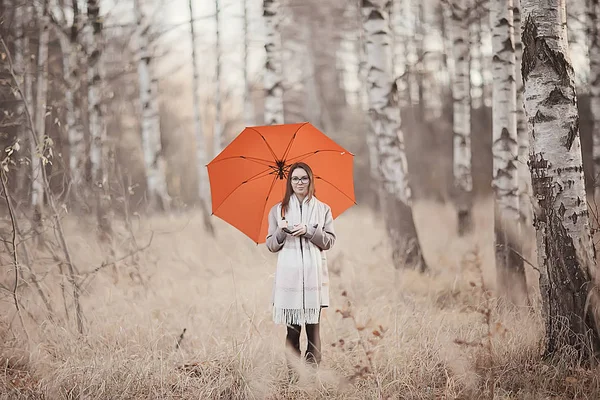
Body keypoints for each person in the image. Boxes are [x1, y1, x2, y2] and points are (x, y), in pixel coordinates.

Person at [265, 161, 336, 368]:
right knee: (292, 331)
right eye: (295, 178)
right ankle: (294, 376)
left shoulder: (323, 209)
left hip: (313, 277)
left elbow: (329, 241)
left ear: (310, 180)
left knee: (313, 331)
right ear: (289, 182)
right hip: (290, 279)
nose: (299, 182)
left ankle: (311, 378)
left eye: (304, 178)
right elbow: (271, 245)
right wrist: (281, 230)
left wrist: (308, 231)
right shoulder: (278, 211)